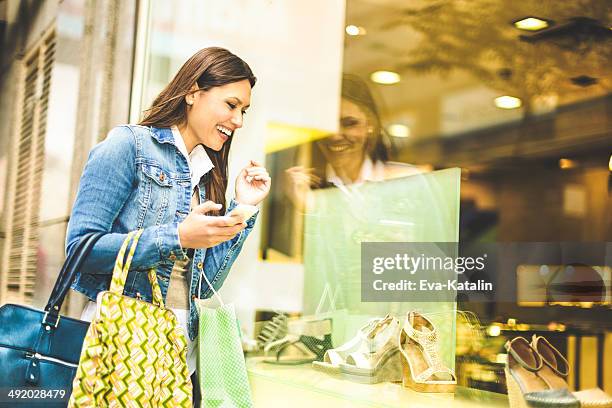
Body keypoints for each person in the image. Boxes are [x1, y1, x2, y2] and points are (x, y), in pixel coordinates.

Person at [66, 47, 271, 405]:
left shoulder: (209, 175)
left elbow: (205, 287)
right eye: (231, 104)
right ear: (193, 92)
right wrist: (174, 237)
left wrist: (244, 207)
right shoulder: (128, 146)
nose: (238, 121)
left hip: (180, 358)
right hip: (121, 350)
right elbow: (80, 251)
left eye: (244, 111)